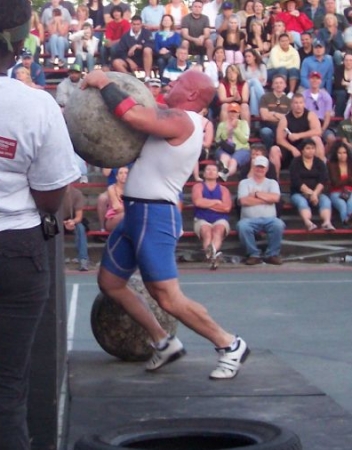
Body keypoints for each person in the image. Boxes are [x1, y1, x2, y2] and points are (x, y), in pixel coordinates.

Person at [81, 68, 250, 379]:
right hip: (135, 213)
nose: (172, 83)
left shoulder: (183, 120)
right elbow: (137, 110)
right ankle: (162, 340)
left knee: (168, 297)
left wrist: (104, 82)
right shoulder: (174, 116)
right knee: (110, 283)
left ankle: (230, 344)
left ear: (191, 95)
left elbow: (132, 116)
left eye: (179, 81)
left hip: (155, 215)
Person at [0, 1, 80, 448]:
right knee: (7, 389)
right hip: (16, 248)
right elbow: (52, 195)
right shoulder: (35, 106)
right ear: (18, 42)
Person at [237, 155, 285, 265]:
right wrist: (266, 199)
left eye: (262, 167)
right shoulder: (244, 183)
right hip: (248, 219)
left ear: (267, 169)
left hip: (270, 218)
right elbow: (244, 201)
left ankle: (272, 254)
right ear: (253, 167)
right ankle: (253, 254)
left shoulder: (272, 183)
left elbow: (276, 198)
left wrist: (256, 194)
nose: (260, 169)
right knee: (242, 226)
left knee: (278, 224)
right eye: (258, 167)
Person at [272, 93, 325, 177]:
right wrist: (293, 149)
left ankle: (322, 175)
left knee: (317, 140)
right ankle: (275, 182)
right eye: (296, 103)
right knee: (274, 150)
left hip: (306, 146)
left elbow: (318, 131)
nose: (298, 105)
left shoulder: (310, 115)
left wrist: (298, 135)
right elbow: (279, 139)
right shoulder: (285, 119)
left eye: (300, 103)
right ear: (291, 104)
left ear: (304, 104)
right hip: (289, 149)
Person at [191, 163, 233, 269]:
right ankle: (212, 258)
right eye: (208, 169)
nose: (210, 171)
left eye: (213, 170)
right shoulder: (198, 186)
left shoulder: (224, 190)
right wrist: (216, 202)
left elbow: (227, 208)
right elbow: (198, 202)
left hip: (220, 219)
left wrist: (207, 204)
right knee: (207, 233)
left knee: (218, 231)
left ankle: (211, 257)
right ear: (204, 174)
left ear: (217, 174)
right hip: (201, 218)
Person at [289, 139, 335, 231]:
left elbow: (323, 180)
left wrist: (315, 193)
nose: (311, 151)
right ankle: (308, 223)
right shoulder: (295, 162)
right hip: (298, 193)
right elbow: (296, 181)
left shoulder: (319, 162)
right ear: (302, 150)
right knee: (302, 202)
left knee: (326, 201)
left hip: (317, 193)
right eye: (308, 148)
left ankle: (327, 222)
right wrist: (311, 193)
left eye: (313, 148)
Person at [215, 102, 251, 181]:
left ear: (239, 113)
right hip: (225, 148)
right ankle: (223, 171)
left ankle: (225, 174)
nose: (233, 114)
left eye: (235, 112)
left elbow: (244, 140)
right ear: (228, 113)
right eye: (231, 112)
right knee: (225, 158)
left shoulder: (243, 123)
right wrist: (228, 131)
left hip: (241, 148)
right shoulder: (222, 125)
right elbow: (217, 139)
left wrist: (235, 129)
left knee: (233, 161)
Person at [112, 15, 154, 80]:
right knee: (116, 62)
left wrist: (137, 46)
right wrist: (129, 61)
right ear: (131, 24)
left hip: (144, 59)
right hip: (130, 60)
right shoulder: (125, 35)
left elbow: (151, 45)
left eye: (138, 24)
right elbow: (120, 51)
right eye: (134, 24)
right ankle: (131, 79)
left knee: (147, 50)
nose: (136, 26)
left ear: (141, 24)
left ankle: (147, 77)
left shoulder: (147, 33)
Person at [302, 71, 335, 152]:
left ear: (320, 81)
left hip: (322, 124)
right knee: (311, 139)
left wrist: (322, 130)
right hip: (307, 125)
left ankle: (324, 156)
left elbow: (327, 115)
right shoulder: (303, 95)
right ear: (309, 80)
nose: (315, 81)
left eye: (317, 79)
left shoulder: (326, 96)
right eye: (312, 78)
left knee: (331, 139)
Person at [259, 74, 291, 152]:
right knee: (265, 132)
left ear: (285, 85)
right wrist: (282, 117)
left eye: (281, 83)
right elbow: (264, 116)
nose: (278, 85)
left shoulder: (288, 100)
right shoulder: (265, 97)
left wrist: (274, 113)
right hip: (268, 126)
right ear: (272, 85)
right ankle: (268, 152)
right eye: (276, 83)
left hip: (283, 128)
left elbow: (289, 118)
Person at [62, 184, 90, 271]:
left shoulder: (76, 193)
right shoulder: (52, 193)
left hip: (72, 220)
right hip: (58, 221)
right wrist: (62, 223)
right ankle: (55, 259)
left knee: (80, 228)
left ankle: (83, 259)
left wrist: (72, 222)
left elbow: (79, 216)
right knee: (50, 227)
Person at [266, 32, 300, 98]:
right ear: (279, 42)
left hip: (288, 71)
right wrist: (290, 64)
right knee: (282, 69)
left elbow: (296, 66)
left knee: (293, 70)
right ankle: (282, 91)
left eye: (286, 41)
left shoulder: (294, 51)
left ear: (289, 41)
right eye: (282, 41)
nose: (284, 43)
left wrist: (283, 64)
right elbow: (276, 65)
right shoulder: (274, 50)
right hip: (271, 71)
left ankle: (291, 93)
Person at [327, 141, 352, 227]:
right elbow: (335, 182)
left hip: (350, 191)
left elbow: (338, 181)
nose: (342, 155)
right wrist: (348, 179)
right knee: (342, 204)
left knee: (350, 202)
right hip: (336, 192)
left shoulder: (350, 164)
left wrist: (343, 181)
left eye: (344, 153)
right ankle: (347, 225)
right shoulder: (331, 165)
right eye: (340, 153)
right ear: (336, 154)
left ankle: (348, 223)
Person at [100, 5, 131, 70]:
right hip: (111, 43)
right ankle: (104, 66)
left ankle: (112, 65)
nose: (116, 13)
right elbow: (107, 37)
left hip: (122, 44)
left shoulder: (126, 23)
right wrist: (106, 42)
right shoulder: (110, 24)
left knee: (113, 48)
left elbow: (124, 38)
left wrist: (112, 42)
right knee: (102, 48)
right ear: (112, 13)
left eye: (118, 12)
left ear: (121, 13)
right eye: (114, 12)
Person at [239, 48, 267, 116]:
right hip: (246, 88)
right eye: (245, 56)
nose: (247, 58)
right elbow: (243, 80)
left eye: (249, 56)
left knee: (253, 89)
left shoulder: (262, 66)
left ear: (254, 57)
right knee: (254, 81)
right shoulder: (242, 67)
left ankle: (254, 115)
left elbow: (264, 82)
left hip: (258, 88)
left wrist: (251, 79)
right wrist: (257, 79)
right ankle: (265, 102)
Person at [105, 166, 129, 232]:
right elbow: (117, 208)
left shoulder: (132, 189)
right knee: (126, 215)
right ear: (116, 177)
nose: (123, 175)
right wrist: (132, 208)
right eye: (120, 173)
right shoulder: (111, 188)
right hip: (113, 219)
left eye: (126, 173)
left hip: (129, 216)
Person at [332, 52, 352, 118]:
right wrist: (350, 85)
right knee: (342, 93)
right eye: (346, 60)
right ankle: (339, 117)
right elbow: (338, 84)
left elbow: (342, 83)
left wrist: (345, 84)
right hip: (338, 91)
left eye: (350, 60)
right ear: (343, 61)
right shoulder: (339, 69)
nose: (348, 62)